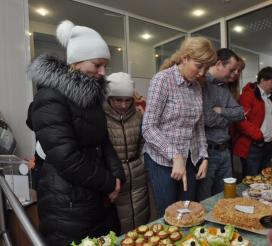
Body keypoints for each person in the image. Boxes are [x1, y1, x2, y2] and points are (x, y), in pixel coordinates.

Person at [27, 20, 125, 245]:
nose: (103, 72)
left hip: (94, 194)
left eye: (105, 66)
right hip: (67, 200)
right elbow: (66, 158)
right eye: (98, 65)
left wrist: (118, 177)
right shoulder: (49, 97)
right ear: (76, 62)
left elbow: (103, 141)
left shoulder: (89, 96)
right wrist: (109, 182)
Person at [142, 37, 217, 217]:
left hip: (189, 159)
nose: (202, 73)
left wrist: (204, 156)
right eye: (199, 66)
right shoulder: (162, 80)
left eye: (206, 68)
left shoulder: (196, 87)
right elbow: (148, 127)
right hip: (162, 161)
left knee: (187, 211)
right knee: (169, 213)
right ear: (184, 58)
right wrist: (174, 155)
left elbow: (198, 127)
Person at [103, 72, 149, 233]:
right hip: (114, 179)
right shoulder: (101, 117)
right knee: (120, 225)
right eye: (118, 100)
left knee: (141, 218)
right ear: (109, 98)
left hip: (138, 176)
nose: (124, 105)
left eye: (128, 100)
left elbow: (144, 143)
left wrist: (142, 165)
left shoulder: (138, 115)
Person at [197, 49, 244, 201]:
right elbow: (208, 119)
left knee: (225, 196)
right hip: (207, 153)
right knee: (205, 199)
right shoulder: (202, 83)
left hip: (225, 150)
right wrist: (228, 116)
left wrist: (221, 110)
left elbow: (240, 113)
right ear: (218, 64)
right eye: (231, 70)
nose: (233, 74)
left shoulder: (223, 87)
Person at [233, 67, 272, 177]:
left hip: (268, 145)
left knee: (266, 178)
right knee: (251, 180)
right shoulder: (248, 96)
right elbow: (240, 121)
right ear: (263, 80)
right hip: (253, 146)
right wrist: (258, 135)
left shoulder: (270, 98)